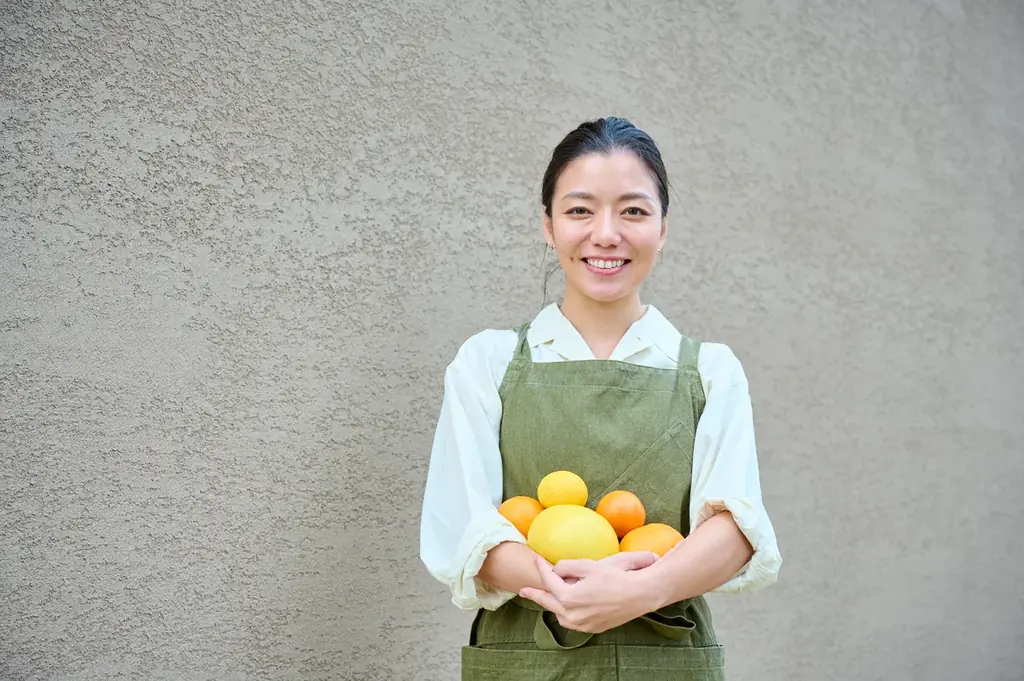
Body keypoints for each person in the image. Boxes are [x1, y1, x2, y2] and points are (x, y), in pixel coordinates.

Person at [419, 117, 782, 680]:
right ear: (548, 225)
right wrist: (572, 590)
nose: (606, 234)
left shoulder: (710, 372)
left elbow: (735, 530)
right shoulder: (486, 364)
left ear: (663, 228)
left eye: (634, 210)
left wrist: (639, 591)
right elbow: (464, 522)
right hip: (525, 660)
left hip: (663, 660)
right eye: (580, 210)